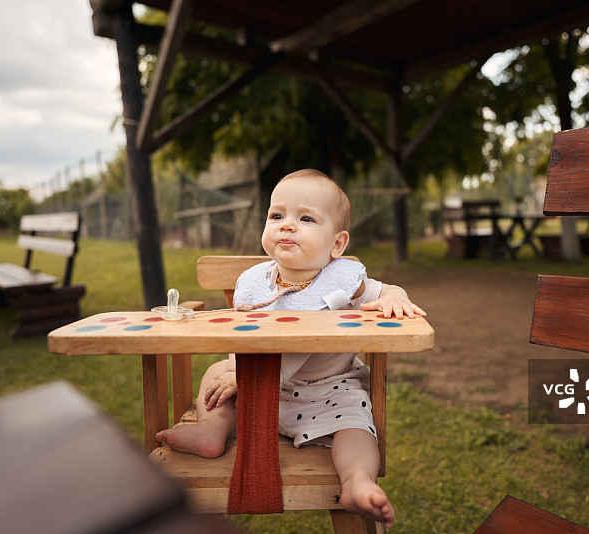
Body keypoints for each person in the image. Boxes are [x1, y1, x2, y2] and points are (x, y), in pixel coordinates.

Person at [156, 169, 426, 528]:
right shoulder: (255, 282)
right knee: (217, 372)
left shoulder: (342, 279)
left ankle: (356, 480)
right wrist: (239, 370)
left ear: (337, 244)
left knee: (356, 423)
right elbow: (242, 336)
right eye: (277, 216)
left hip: (328, 392)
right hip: (260, 391)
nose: (287, 226)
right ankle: (211, 431)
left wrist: (396, 298)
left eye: (306, 218)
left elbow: (385, 290)